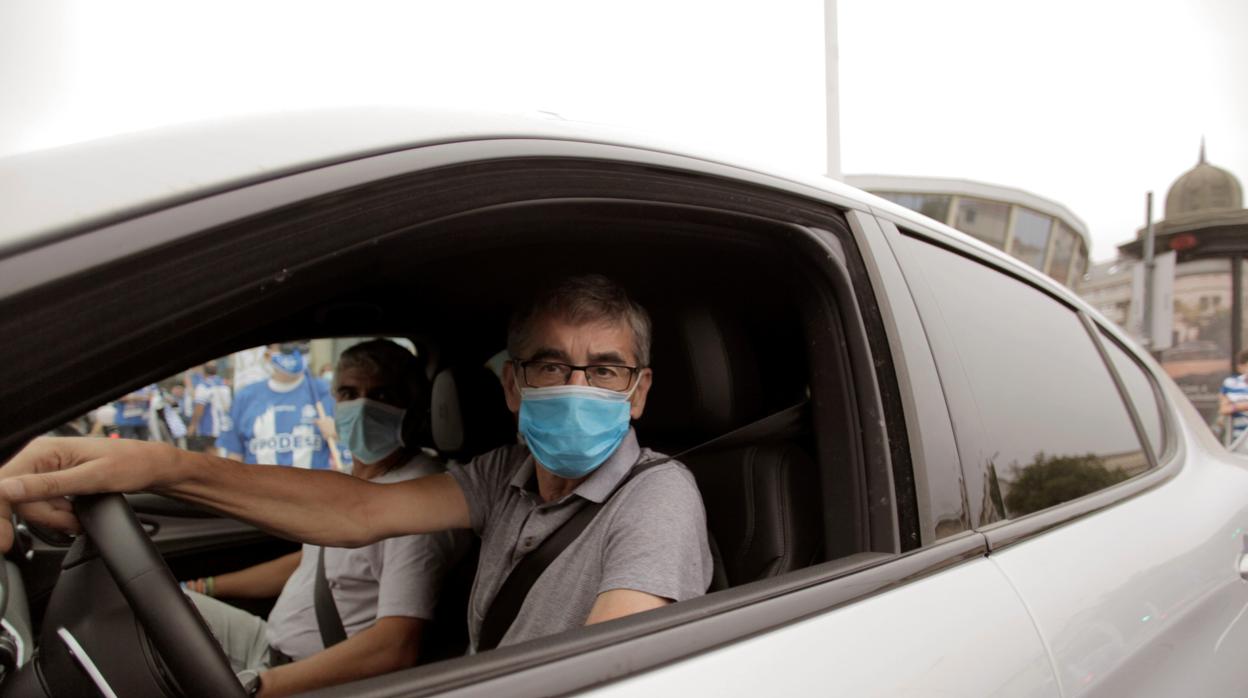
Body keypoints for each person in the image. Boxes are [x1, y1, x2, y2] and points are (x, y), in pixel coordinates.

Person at [0, 275, 712, 658]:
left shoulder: (659, 499)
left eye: (607, 370)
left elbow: (606, 674)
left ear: (639, 392)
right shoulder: (506, 475)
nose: (578, 388)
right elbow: (355, 511)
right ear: (513, 385)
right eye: (553, 365)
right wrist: (151, 464)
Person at [182, 339, 468, 696]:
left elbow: (396, 646)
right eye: (348, 393)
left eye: (382, 396)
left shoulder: (415, 501)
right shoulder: (356, 478)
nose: (362, 406)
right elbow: (315, 562)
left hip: (303, 677)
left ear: (412, 408)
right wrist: (206, 586)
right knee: (155, 608)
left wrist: (259, 687)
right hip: (268, 646)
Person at [217, 345, 342, 469]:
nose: (296, 352)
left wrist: (340, 435)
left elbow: (351, 451)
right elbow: (234, 457)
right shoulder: (245, 397)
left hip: (313, 487)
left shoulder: (327, 392)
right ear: (267, 354)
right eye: (286, 347)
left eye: (303, 346)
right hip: (260, 487)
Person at [187, 360, 233, 454]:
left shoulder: (203, 386)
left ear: (203, 371)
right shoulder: (224, 384)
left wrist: (193, 425)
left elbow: (199, 408)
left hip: (209, 428)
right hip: (225, 425)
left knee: (212, 457)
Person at [1219, 349, 1248, 445]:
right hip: (1237, 440)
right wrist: (1242, 406)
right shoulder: (1231, 383)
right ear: (1242, 367)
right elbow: (1224, 409)